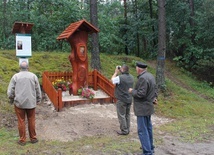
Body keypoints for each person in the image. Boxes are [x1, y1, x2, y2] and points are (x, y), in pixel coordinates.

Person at [7, 61, 42, 146]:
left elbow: (10, 91)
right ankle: (33, 138)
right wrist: (38, 99)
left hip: (19, 103)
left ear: (20, 68)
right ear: (28, 67)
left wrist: (11, 99)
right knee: (31, 120)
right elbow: (38, 89)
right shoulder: (33, 76)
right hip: (31, 102)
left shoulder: (15, 77)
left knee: (21, 121)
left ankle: (22, 140)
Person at [128, 62, 158, 155]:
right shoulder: (150, 76)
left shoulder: (142, 78)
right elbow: (155, 89)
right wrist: (154, 98)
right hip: (148, 107)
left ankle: (147, 152)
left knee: (142, 130)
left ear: (139, 69)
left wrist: (132, 91)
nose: (136, 69)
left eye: (136, 68)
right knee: (148, 128)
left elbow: (141, 94)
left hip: (142, 108)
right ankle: (150, 147)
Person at [111, 64, 134, 135]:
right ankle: (127, 129)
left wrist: (116, 72)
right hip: (129, 99)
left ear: (123, 70)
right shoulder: (132, 77)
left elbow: (112, 80)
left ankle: (124, 130)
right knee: (127, 115)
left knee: (121, 115)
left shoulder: (120, 77)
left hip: (121, 99)